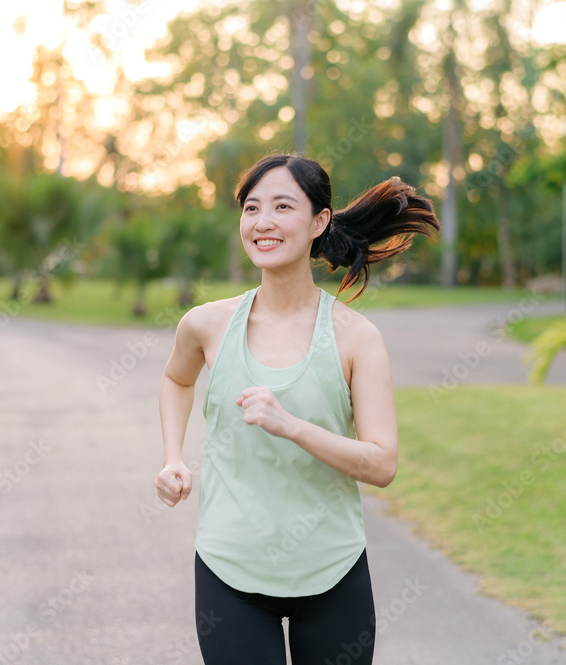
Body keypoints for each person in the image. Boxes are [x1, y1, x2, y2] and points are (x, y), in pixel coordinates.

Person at [154, 152, 438, 664]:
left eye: (283, 206)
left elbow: (382, 464)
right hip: (229, 568)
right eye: (251, 208)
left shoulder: (356, 338)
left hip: (332, 571)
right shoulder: (206, 324)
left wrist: (291, 426)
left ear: (319, 221)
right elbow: (176, 379)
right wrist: (173, 456)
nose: (263, 222)